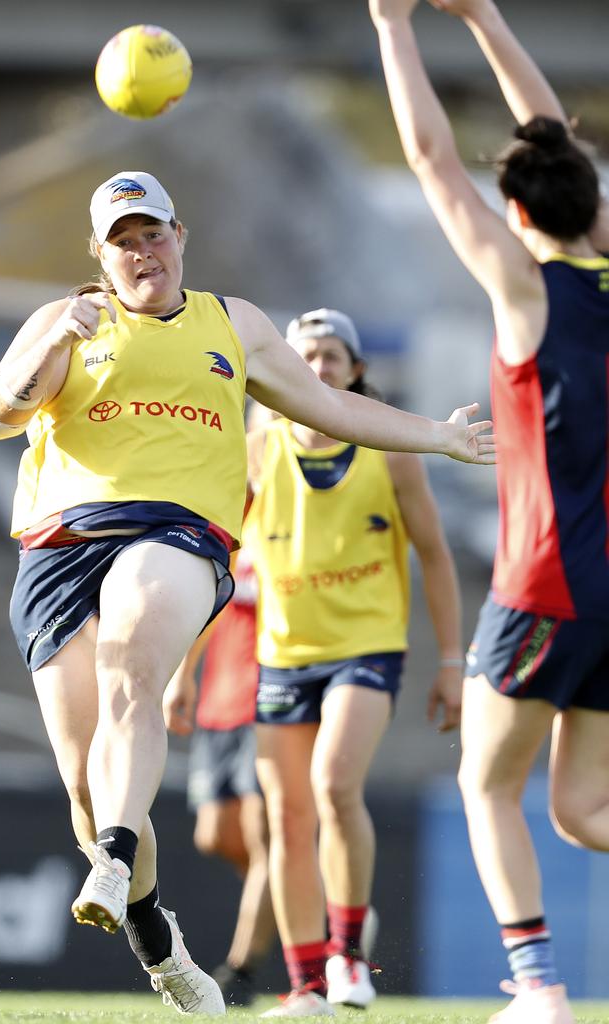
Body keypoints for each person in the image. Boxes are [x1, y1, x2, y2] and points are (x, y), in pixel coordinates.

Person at [0, 168, 494, 1015]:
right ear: (100, 258)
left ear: (181, 237)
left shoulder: (233, 323)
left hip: (176, 532)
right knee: (82, 779)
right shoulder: (66, 323)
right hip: (59, 545)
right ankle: (152, 930)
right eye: (124, 240)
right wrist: (48, 342)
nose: (144, 251)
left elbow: (327, 405)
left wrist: (438, 437)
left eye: (155, 233)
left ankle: (112, 852)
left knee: (130, 665)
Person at [369, 3, 609, 1022]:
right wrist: (485, 17)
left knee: (486, 785)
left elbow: (430, 158)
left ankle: (540, 989)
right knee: (584, 805)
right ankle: (540, 986)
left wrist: (395, 22)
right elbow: (556, 144)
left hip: (545, 583)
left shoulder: (526, 288)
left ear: (515, 211)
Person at [247, 308, 465, 1017]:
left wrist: (453, 662)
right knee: (286, 816)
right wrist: (184, 672)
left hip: (366, 646)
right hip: (282, 651)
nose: (318, 367)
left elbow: (434, 554)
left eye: (333, 356)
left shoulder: (390, 447)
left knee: (335, 784)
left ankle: (347, 954)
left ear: (357, 370)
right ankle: (305, 981)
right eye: (304, 354)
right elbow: (220, 555)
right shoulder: (257, 447)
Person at [164, 541, 276, 1007]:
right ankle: (323, 911)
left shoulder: (297, 510)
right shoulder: (227, 527)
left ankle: (240, 971)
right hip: (220, 699)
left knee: (264, 837)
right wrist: (183, 673)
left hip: (274, 695)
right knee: (215, 836)